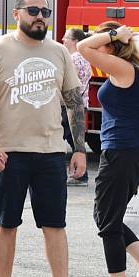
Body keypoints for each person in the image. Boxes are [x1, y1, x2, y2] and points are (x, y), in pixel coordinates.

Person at [0, 0, 85, 277]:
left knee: (55, 226)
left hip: (50, 152)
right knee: (7, 224)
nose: (40, 16)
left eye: (45, 12)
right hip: (8, 154)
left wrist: (78, 148)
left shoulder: (59, 53)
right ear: (17, 13)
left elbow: (74, 102)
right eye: (33, 10)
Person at [77, 22, 139, 277]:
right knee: (109, 217)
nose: (96, 44)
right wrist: (114, 37)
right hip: (131, 152)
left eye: (101, 40)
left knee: (107, 221)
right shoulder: (137, 69)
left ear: (112, 45)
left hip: (120, 152)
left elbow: (81, 47)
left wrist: (114, 34)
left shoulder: (123, 68)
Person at [61, 28, 92, 187]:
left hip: (69, 105)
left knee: (62, 138)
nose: (62, 40)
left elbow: (66, 83)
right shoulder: (85, 58)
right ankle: (80, 174)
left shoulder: (73, 59)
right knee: (75, 140)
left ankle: (76, 175)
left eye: (66, 38)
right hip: (82, 103)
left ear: (75, 41)